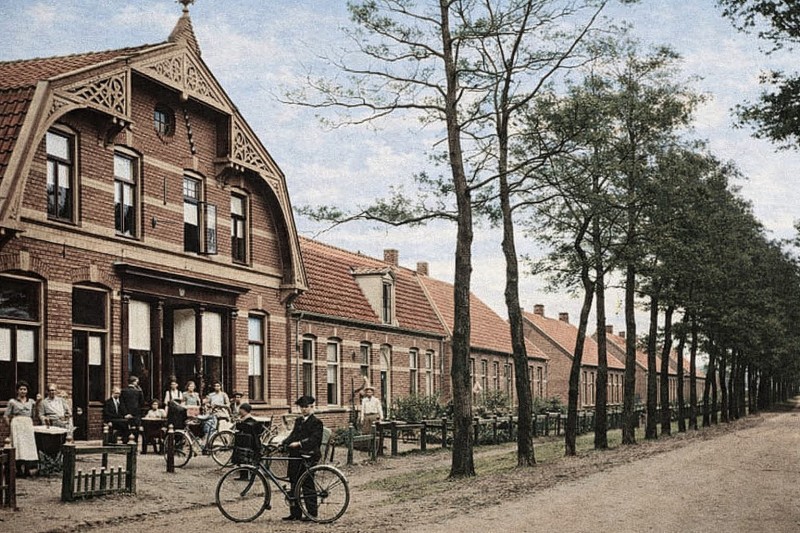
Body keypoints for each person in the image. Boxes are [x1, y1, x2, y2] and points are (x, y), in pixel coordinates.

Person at [282, 395, 323, 522]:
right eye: (302, 407)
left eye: (306, 407)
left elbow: (315, 439)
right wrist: (283, 443)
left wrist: (300, 443)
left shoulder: (317, 422)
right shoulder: (298, 421)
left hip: (309, 455)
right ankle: (295, 513)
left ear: (312, 407)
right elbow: (293, 435)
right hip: (296, 455)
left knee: (307, 484)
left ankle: (312, 513)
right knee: (294, 482)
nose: (304, 409)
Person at [4, 381, 39, 477]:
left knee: (28, 446)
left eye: (25, 389)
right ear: (17, 391)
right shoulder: (12, 402)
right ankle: (19, 470)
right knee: (19, 446)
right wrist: (10, 426)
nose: (23, 391)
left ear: (27, 391)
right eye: (21, 389)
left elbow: (34, 415)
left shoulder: (31, 402)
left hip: (27, 424)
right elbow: (6, 416)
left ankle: (27, 470)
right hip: (17, 425)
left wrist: (38, 403)